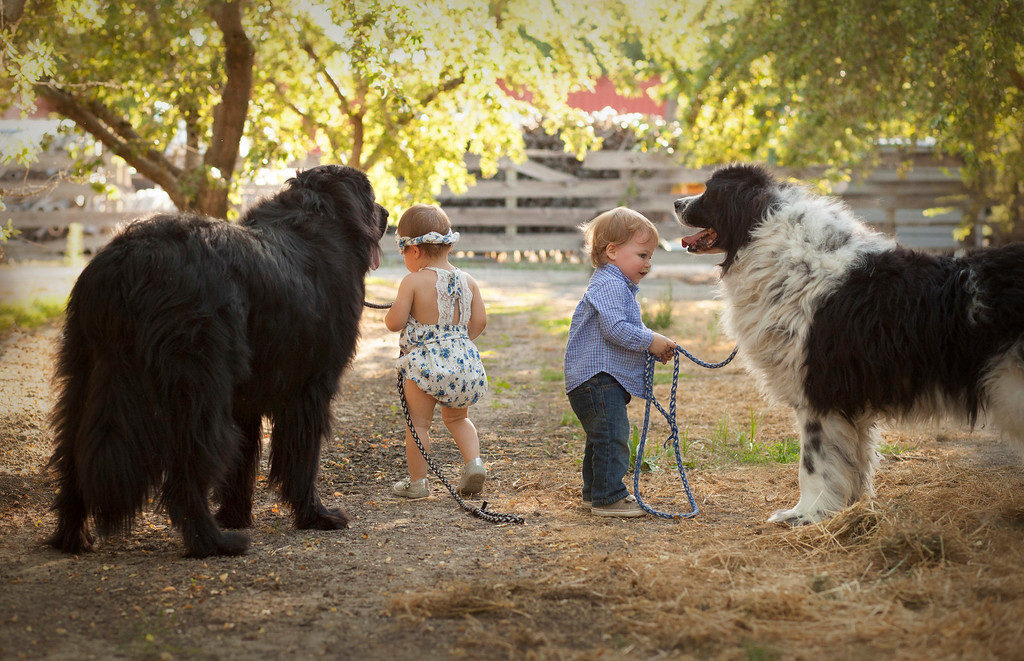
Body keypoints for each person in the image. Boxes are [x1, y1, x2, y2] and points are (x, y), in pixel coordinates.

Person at [564, 207, 677, 517]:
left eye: (650, 256)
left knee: (601, 438)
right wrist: (650, 340)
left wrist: (652, 342)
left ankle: (595, 492)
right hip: (597, 379)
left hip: (594, 379)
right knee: (613, 436)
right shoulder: (610, 285)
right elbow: (615, 329)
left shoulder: (611, 283)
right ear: (612, 251)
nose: (648, 264)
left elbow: (621, 328)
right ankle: (609, 495)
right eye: (642, 255)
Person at [384, 204, 489, 500]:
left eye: (402, 249)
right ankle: (474, 463)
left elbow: (394, 322)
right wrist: (457, 343)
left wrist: (394, 309)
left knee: (419, 425)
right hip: (462, 360)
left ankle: (417, 483)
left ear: (414, 250)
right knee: (457, 419)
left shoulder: (413, 282)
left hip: (425, 365)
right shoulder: (469, 280)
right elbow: (479, 321)